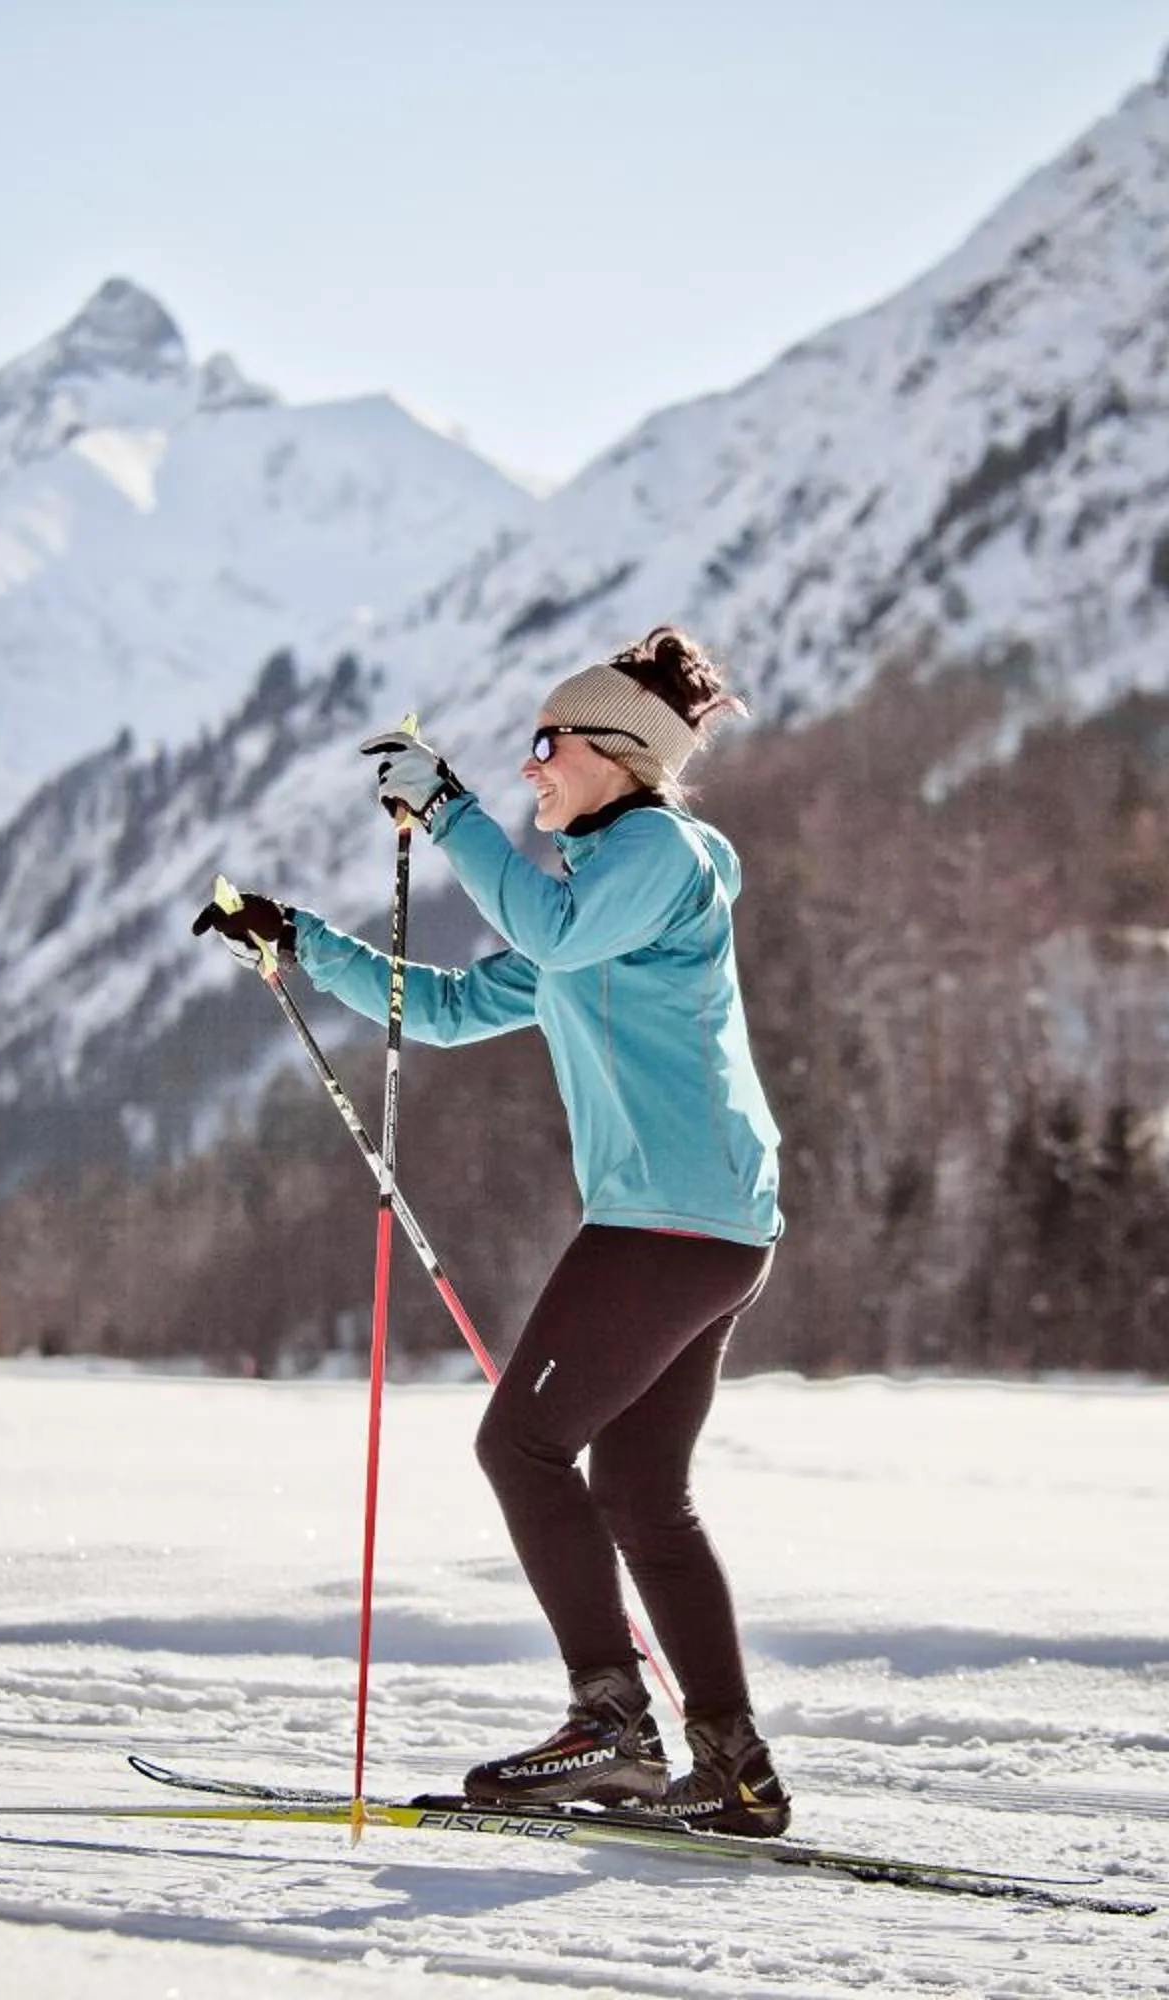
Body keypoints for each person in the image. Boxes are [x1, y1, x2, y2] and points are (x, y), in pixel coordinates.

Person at [192, 626, 790, 1836]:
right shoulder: (598, 899)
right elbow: (457, 1007)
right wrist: (305, 941)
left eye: (547, 743)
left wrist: (450, 810)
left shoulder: (659, 853)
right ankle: (732, 1765)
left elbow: (549, 935)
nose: (532, 767)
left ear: (616, 751)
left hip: (668, 1219)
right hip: (703, 1221)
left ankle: (612, 1723)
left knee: (522, 1446)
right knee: (639, 1490)